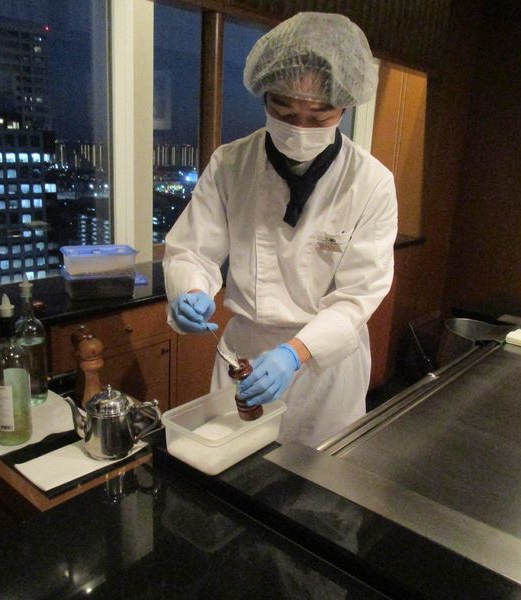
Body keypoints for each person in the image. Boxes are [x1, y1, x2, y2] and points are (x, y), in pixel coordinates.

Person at [163, 12, 398, 447]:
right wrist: (191, 290)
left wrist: (294, 353)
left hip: (325, 367)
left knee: (320, 480)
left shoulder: (370, 182)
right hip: (245, 353)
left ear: (345, 105)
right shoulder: (231, 163)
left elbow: (358, 295)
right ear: (264, 95)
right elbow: (193, 250)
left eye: (319, 116)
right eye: (284, 110)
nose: (299, 128)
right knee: (236, 467)